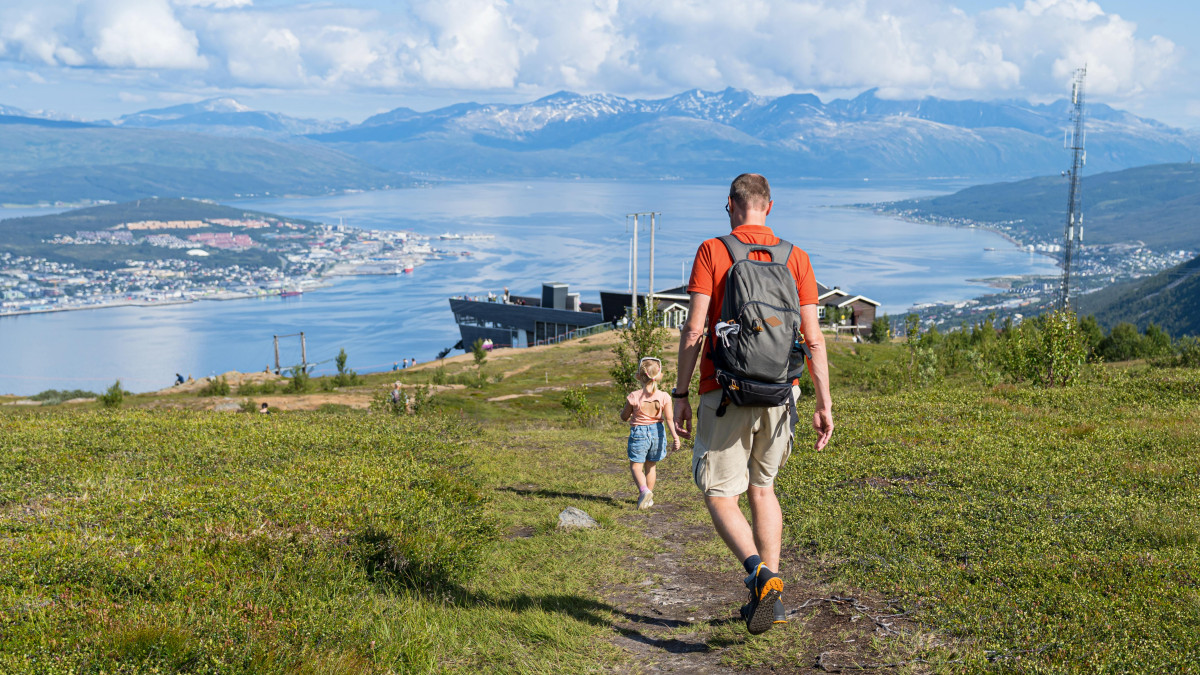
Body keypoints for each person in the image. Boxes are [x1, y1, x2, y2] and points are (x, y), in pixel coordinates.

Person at [672, 173, 834, 635]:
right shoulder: (796, 257)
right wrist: (824, 404)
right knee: (762, 488)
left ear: (730, 205)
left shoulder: (713, 250)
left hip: (724, 390)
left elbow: (693, 331)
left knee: (720, 493)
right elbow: (814, 339)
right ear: (770, 206)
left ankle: (761, 576)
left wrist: (680, 393)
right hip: (782, 392)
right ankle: (772, 595)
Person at [619, 357, 681, 510]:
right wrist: (675, 437)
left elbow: (624, 417)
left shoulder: (634, 396)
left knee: (635, 467)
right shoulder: (665, 396)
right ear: (660, 376)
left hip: (639, 433)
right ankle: (649, 497)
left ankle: (644, 491)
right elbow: (669, 419)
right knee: (651, 466)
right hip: (657, 434)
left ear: (639, 376)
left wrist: (626, 412)